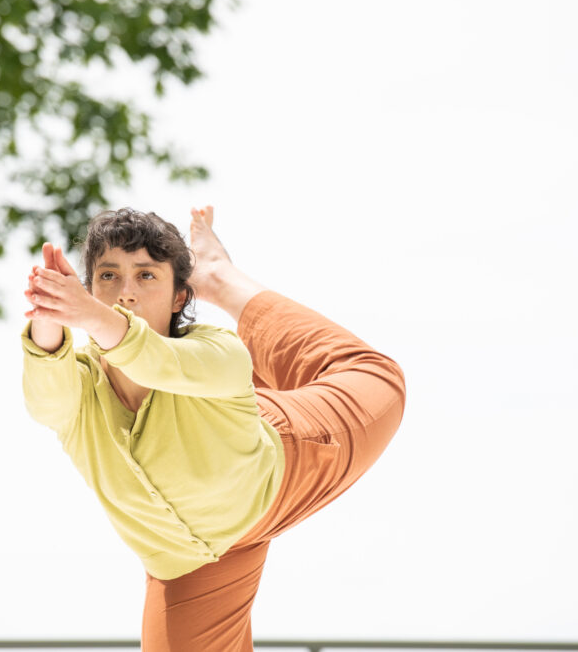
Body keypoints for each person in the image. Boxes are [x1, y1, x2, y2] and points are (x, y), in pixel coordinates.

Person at [21, 206, 406, 651]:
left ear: (179, 297)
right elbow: (45, 398)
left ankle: (219, 278)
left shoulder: (217, 349)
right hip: (187, 563)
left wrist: (90, 316)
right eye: (108, 277)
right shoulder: (80, 385)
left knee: (378, 378)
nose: (125, 292)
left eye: (145, 276)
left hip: (281, 469)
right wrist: (47, 312)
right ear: (88, 289)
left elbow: (155, 360)